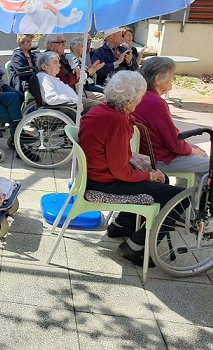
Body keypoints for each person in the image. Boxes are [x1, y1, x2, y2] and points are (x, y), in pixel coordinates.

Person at [79, 71, 185, 266]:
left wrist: (149, 175)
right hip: (104, 183)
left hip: (95, 177)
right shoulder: (116, 120)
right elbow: (121, 172)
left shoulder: (100, 110)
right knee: (179, 197)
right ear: (131, 100)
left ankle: (122, 225)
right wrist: (149, 176)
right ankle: (135, 247)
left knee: (165, 182)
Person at [134, 56, 209, 175]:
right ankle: (193, 193)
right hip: (160, 158)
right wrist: (191, 150)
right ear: (158, 79)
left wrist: (191, 148)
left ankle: (190, 191)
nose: (173, 79)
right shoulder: (155, 103)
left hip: (148, 154)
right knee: (208, 164)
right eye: (171, 75)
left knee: (198, 151)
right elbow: (174, 142)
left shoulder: (139, 96)